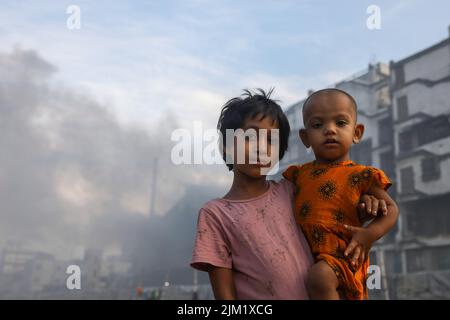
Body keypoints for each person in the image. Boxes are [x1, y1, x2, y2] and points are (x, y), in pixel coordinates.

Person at [191, 89, 385, 299]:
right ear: (226, 146)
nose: (261, 148)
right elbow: (225, 296)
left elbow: (334, 210)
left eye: (270, 141)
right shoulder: (215, 214)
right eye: (250, 137)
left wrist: (365, 202)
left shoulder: (294, 190)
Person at [283, 88, 399, 300]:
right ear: (305, 137)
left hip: (343, 253)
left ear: (357, 133)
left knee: (320, 277)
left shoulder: (361, 175)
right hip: (304, 255)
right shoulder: (299, 175)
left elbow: (391, 209)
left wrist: (369, 235)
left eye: (341, 123)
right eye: (318, 125)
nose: (330, 130)